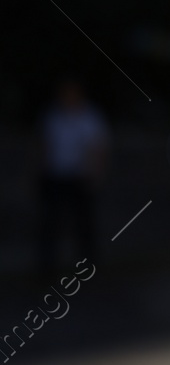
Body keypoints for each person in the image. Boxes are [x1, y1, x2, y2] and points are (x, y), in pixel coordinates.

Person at [36, 78, 108, 280]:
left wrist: (96, 174)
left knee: (84, 226)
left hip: (81, 177)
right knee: (50, 224)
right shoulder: (53, 116)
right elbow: (44, 145)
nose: (67, 98)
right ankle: (47, 271)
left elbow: (99, 147)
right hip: (56, 176)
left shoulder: (90, 117)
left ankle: (88, 269)